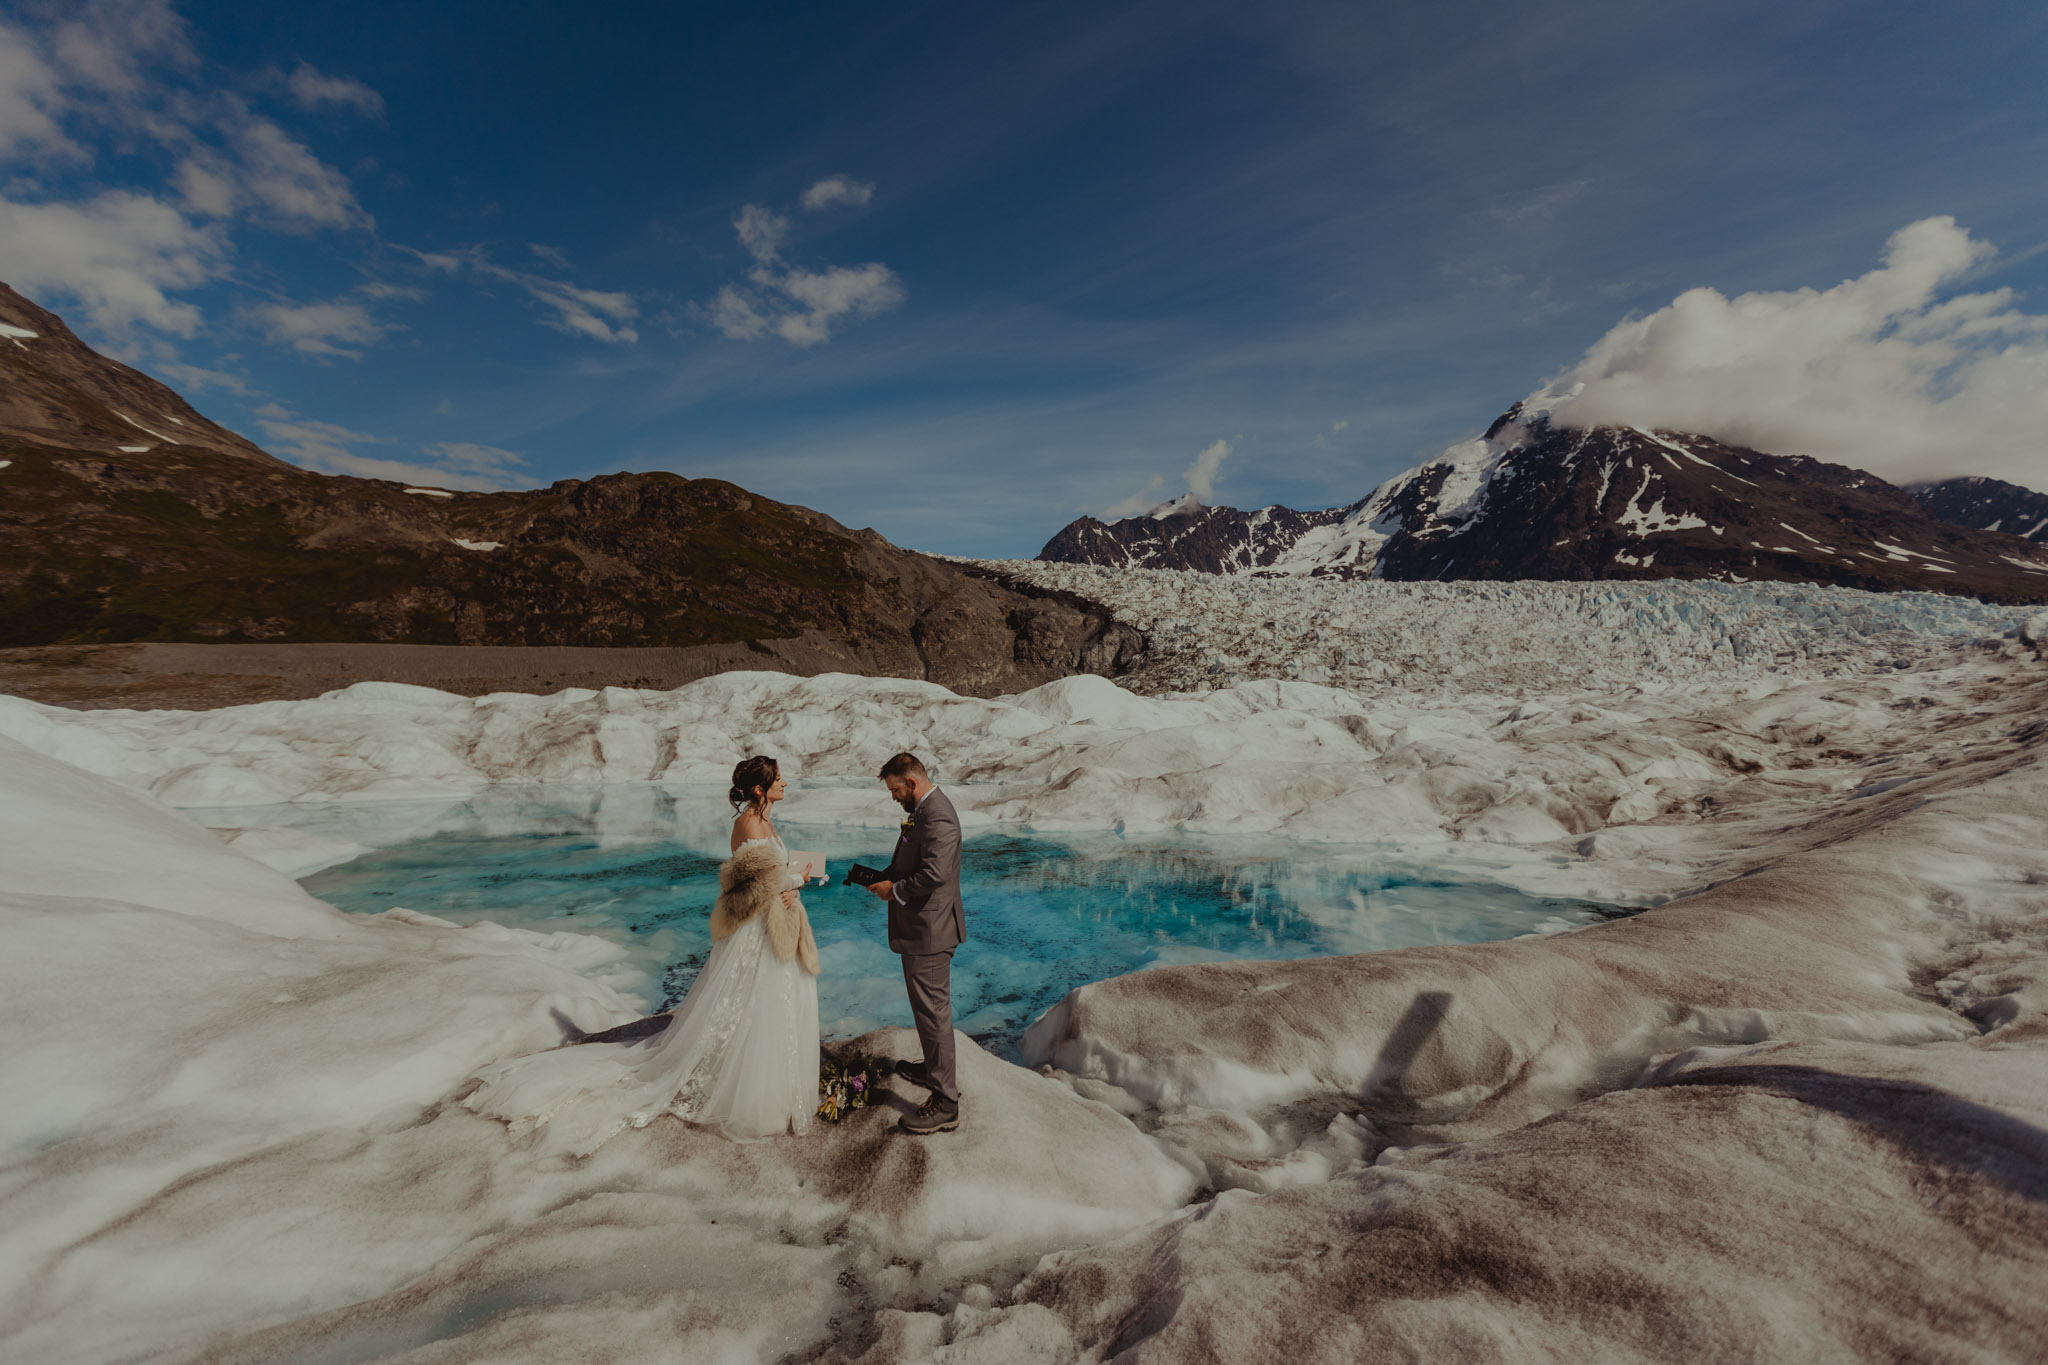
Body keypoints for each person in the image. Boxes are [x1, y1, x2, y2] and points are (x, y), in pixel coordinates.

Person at [462, 755, 821, 1154]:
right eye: (778, 778)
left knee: (773, 1001)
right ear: (760, 788)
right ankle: (748, 1092)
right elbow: (755, 880)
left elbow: (773, 874)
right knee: (750, 1000)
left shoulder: (767, 822)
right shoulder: (748, 823)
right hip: (756, 928)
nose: (785, 782)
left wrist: (795, 882)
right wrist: (799, 878)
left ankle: (771, 1082)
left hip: (776, 922)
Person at [868, 751, 966, 1135]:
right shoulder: (923, 811)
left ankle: (946, 1102)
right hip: (924, 927)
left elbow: (936, 873)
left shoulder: (938, 814)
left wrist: (895, 891)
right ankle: (932, 1069)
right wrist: (884, 876)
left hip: (932, 930)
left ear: (911, 782)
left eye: (895, 789)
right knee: (926, 1008)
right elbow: (914, 859)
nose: (893, 796)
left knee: (933, 1011)